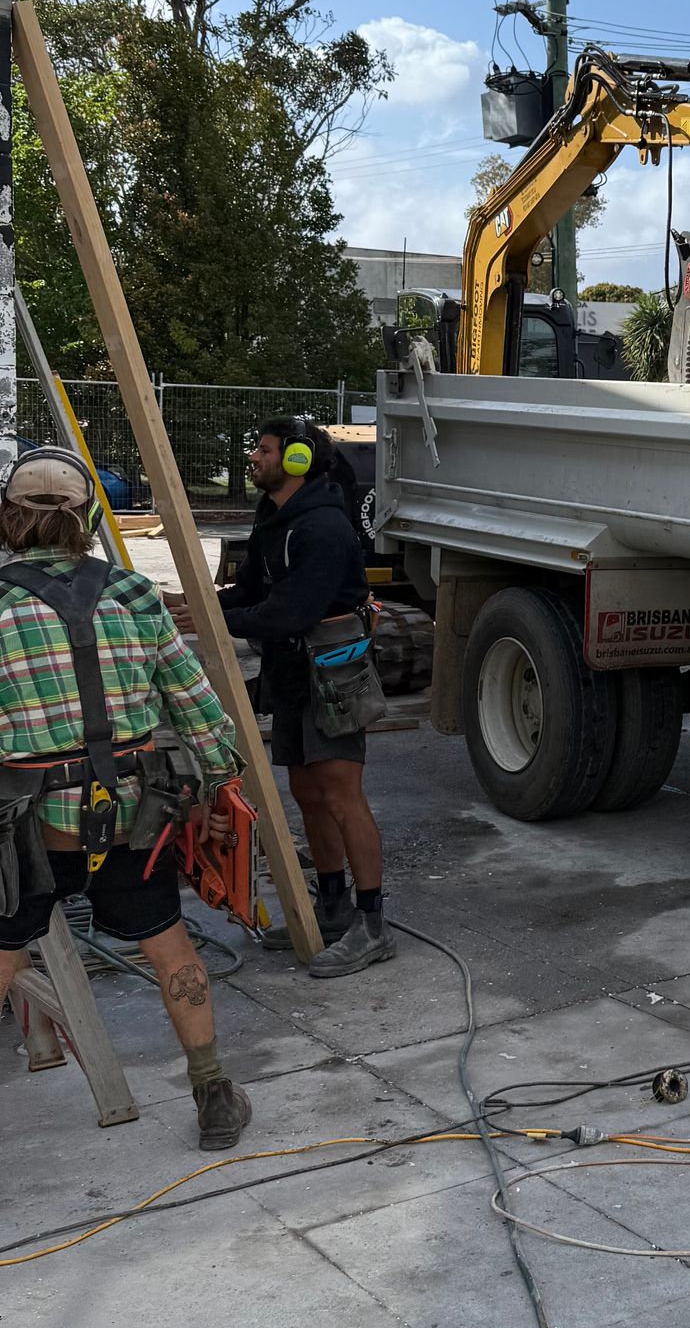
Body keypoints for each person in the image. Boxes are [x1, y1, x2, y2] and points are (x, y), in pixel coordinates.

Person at [0, 446, 251, 1149]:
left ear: (10, 518)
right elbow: (200, 710)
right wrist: (218, 786)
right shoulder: (135, 594)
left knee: (4, 955)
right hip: (132, 817)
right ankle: (213, 1093)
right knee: (170, 948)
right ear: (84, 519)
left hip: (30, 830)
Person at [218, 415, 394, 976]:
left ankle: (372, 925)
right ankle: (333, 904)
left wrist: (222, 620)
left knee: (341, 794)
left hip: (333, 671)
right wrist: (198, 604)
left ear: (296, 459)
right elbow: (249, 591)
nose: (254, 458)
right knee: (306, 791)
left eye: (263, 450)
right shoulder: (274, 517)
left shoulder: (321, 528)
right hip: (292, 671)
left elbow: (289, 612)